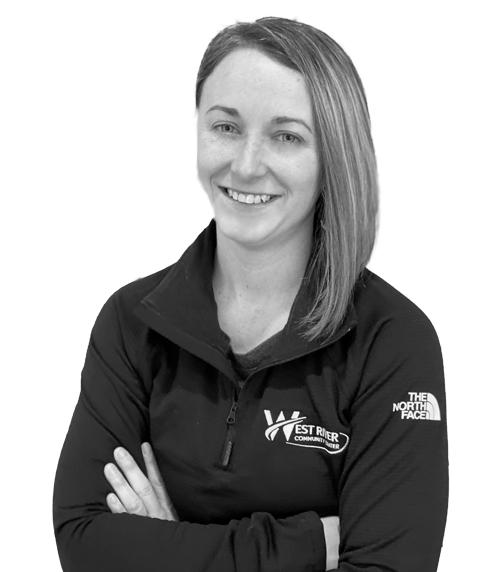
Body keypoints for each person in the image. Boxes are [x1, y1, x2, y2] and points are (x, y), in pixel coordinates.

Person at [52, 16, 448, 572]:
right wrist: (311, 545)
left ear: (334, 155)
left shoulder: (390, 340)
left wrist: (166, 545)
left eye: (286, 136)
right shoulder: (132, 323)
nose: (245, 164)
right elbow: (84, 541)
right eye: (225, 127)